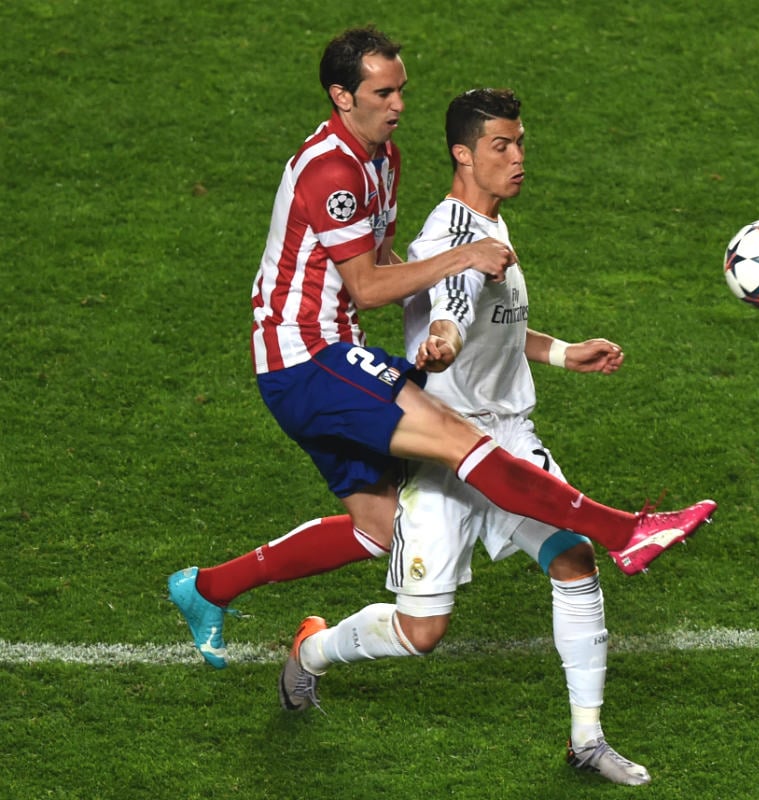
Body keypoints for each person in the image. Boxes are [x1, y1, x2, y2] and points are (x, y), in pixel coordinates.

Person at [168, 27, 717, 670]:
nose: (398, 105)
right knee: (461, 440)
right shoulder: (333, 170)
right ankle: (624, 531)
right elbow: (369, 286)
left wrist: (451, 316)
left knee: (377, 530)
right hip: (305, 357)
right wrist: (463, 257)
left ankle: (208, 588)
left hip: (326, 353)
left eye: (401, 89)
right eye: (382, 92)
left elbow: (385, 264)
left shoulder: (382, 158)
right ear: (341, 96)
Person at [278, 87, 712, 786]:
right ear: (462, 154)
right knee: (422, 635)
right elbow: (451, 313)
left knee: (573, 560)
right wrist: (441, 339)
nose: (517, 159)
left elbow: (492, 329)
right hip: (447, 450)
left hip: (508, 437)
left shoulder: (491, 227)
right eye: (500, 147)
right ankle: (314, 649)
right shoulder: (452, 239)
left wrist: (563, 351)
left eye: (520, 144)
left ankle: (586, 737)